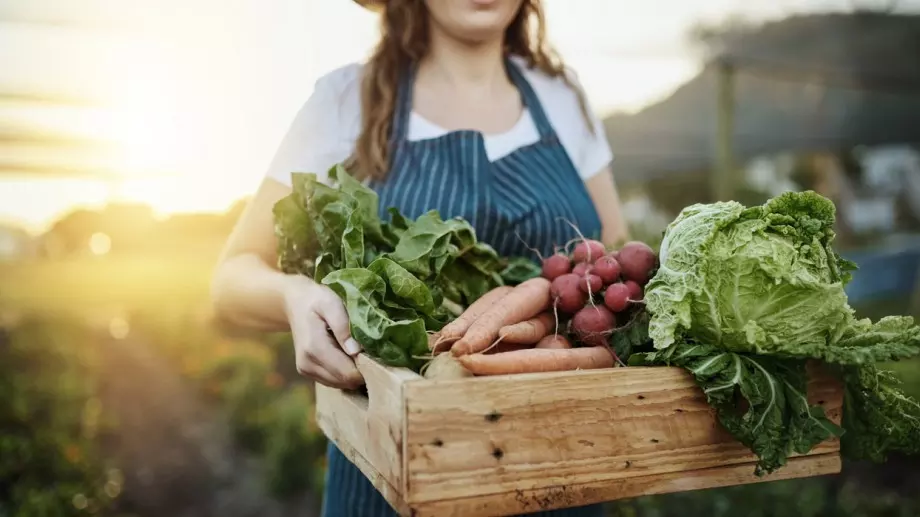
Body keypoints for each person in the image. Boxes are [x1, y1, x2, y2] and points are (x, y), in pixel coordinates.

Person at [211, 0, 628, 515]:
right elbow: (231, 278)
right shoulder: (346, 100)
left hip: (564, 466)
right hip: (393, 471)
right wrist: (295, 295)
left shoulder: (560, 96)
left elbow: (612, 263)